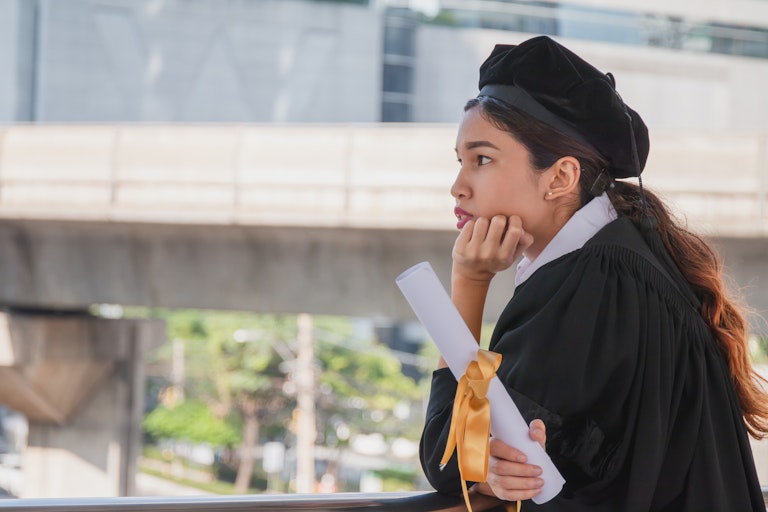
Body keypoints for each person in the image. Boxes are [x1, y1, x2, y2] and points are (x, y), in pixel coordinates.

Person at [419, 35, 768, 511]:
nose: (458, 187)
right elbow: (493, 462)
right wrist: (492, 475)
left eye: (482, 160)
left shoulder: (595, 284)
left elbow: (450, 454)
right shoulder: (620, 258)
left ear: (560, 177)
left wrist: (470, 283)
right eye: (460, 161)